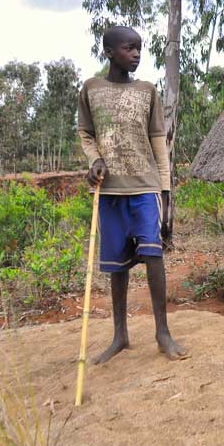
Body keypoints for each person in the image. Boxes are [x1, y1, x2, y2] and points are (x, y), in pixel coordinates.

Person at [77, 25, 188, 363]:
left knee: (154, 257)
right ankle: (120, 336)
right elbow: (85, 133)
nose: (137, 54)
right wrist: (94, 160)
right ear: (109, 52)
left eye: (140, 48)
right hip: (109, 192)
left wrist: (165, 193)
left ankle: (162, 333)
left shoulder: (147, 91)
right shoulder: (91, 89)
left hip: (144, 188)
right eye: (129, 48)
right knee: (117, 265)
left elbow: (158, 143)